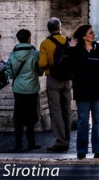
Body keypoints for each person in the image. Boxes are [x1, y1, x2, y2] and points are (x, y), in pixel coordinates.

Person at [67, 25, 99, 159]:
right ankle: (81, 150)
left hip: (98, 90)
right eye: (91, 33)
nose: (93, 35)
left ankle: (98, 149)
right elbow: (70, 67)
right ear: (83, 36)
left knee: (98, 120)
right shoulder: (76, 50)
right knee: (83, 121)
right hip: (82, 90)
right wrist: (71, 49)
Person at [39, 17, 72, 152]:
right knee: (67, 109)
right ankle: (67, 138)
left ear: (48, 29)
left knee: (55, 110)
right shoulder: (67, 41)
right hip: (67, 79)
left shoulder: (45, 43)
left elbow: (42, 63)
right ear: (60, 27)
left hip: (53, 78)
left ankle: (60, 140)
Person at [6, 29, 42, 152]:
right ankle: (31, 142)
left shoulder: (13, 54)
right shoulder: (35, 53)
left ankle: (18, 143)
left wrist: (14, 77)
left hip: (18, 89)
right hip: (32, 88)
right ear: (29, 38)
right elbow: (40, 69)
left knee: (18, 117)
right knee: (31, 116)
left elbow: (9, 69)